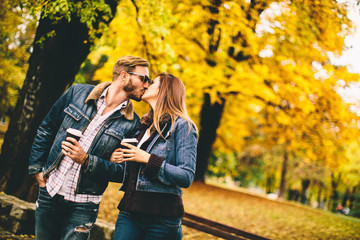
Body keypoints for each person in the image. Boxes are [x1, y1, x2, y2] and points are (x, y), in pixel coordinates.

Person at [28, 55, 151, 240]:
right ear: (124, 76)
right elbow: (47, 128)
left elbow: (124, 173)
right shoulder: (77, 93)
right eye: (144, 78)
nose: (147, 85)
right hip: (50, 190)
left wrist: (87, 161)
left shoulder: (132, 124)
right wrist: (37, 168)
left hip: (84, 205)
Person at [110, 73, 198, 240]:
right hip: (130, 212)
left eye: (152, 82)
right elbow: (133, 170)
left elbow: (186, 176)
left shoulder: (183, 126)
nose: (146, 85)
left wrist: (147, 158)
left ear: (164, 90)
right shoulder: (143, 126)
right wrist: (116, 158)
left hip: (162, 220)